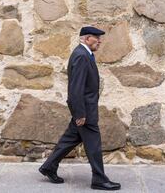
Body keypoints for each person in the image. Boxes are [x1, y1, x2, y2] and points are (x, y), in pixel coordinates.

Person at [39, 26, 121, 191]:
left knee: (70, 139)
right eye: (97, 38)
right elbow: (75, 88)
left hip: (85, 109)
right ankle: (99, 179)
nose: (100, 41)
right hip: (86, 111)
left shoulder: (85, 54)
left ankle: (49, 166)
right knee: (94, 145)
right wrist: (80, 113)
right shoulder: (81, 56)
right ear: (87, 38)